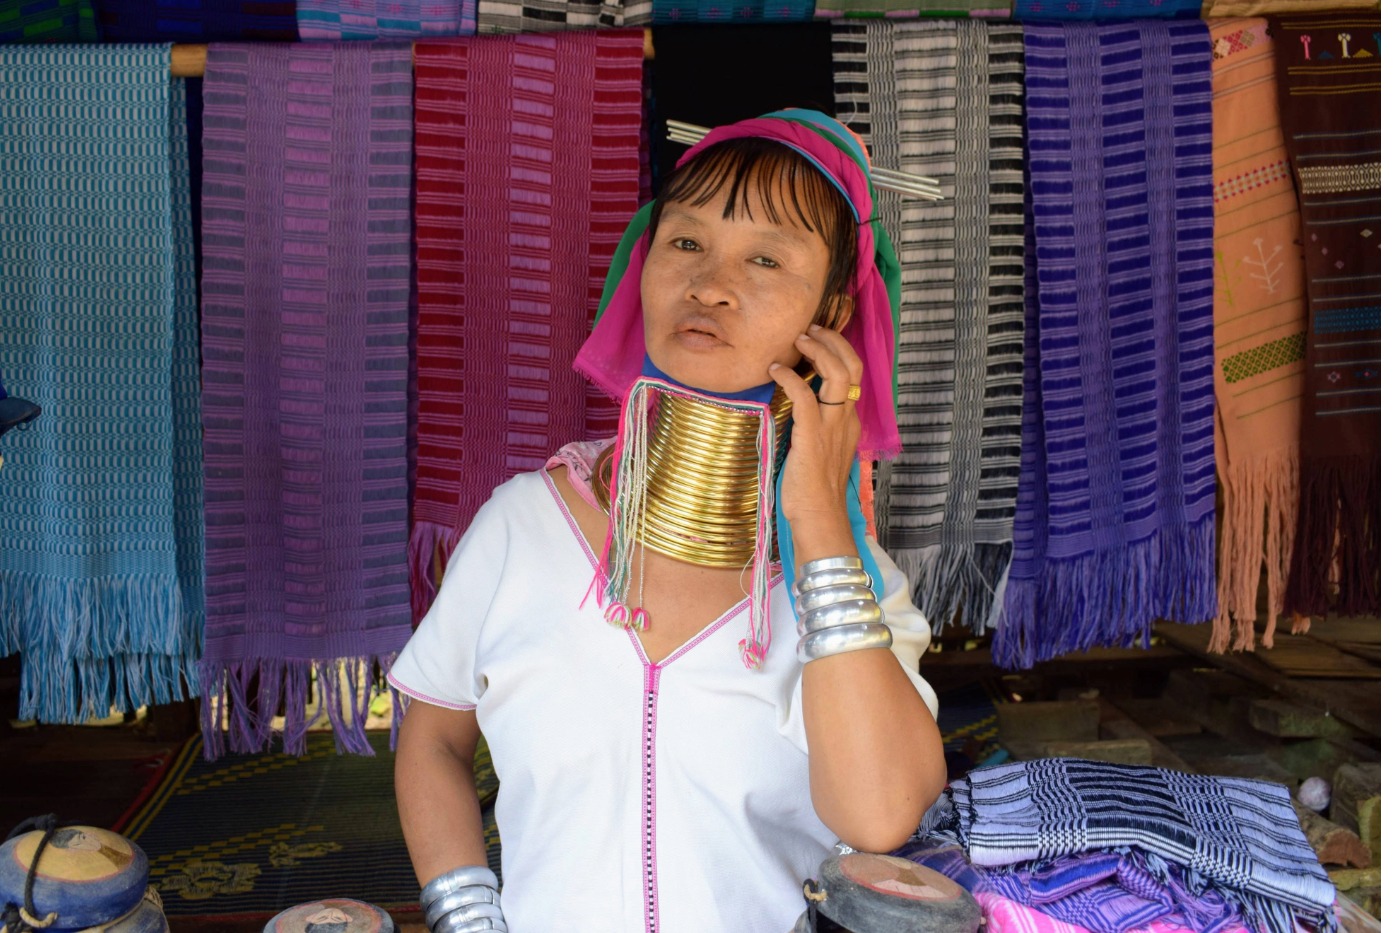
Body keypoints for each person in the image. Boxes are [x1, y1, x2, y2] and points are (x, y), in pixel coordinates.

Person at [390, 110, 946, 933]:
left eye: (765, 258)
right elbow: (433, 739)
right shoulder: (524, 525)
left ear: (831, 308)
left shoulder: (853, 586)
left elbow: (881, 815)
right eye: (685, 243)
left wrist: (820, 525)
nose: (711, 283)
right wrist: (468, 914)